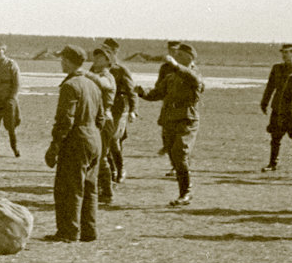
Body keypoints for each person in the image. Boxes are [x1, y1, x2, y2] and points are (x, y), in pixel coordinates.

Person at [42, 45, 104, 242]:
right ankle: (89, 231)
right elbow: (101, 118)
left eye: (62, 59)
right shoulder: (93, 84)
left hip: (76, 141)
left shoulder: (70, 86)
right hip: (94, 138)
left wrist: (55, 145)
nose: (61, 62)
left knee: (69, 188)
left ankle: (68, 232)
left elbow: (65, 120)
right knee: (89, 188)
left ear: (68, 61)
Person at [136, 42, 204, 206]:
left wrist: (176, 66)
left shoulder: (193, 74)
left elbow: (193, 79)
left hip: (186, 119)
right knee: (174, 155)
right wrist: (142, 92)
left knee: (179, 152)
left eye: (179, 56)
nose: (176, 58)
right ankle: (185, 189)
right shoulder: (171, 77)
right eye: (175, 56)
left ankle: (186, 193)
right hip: (169, 119)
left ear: (189, 58)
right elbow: (158, 93)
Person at [100, 38, 136, 184]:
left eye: (108, 50)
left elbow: (131, 91)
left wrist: (133, 110)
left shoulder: (121, 70)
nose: (104, 53)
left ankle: (120, 169)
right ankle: (111, 169)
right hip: (103, 108)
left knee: (113, 139)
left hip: (119, 109)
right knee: (104, 140)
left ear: (114, 52)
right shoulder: (97, 68)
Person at [87, 47, 118, 204]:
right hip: (94, 119)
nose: (96, 59)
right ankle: (100, 189)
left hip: (105, 120)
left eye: (101, 57)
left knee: (100, 157)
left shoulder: (107, 76)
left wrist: (85, 74)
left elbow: (104, 84)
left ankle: (107, 192)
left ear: (108, 61)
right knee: (94, 156)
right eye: (95, 56)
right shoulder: (95, 75)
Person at [260, 43, 292, 171]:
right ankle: (273, 163)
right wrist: (264, 102)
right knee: (275, 137)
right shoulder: (277, 68)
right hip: (278, 107)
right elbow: (270, 86)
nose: (284, 55)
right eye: (283, 52)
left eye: (287, 52)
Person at [154, 40, 180, 158]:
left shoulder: (184, 66)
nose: (172, 53)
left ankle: (177, 166)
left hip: (181, 105)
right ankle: (167, 149)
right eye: (170, 50)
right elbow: (159, 84)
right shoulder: (165, 67)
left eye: (175, 50)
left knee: (179, 137)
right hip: (168, 103)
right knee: (166, 131)